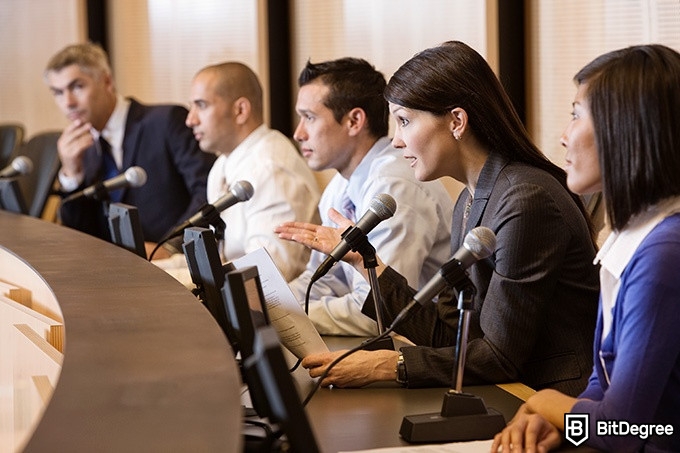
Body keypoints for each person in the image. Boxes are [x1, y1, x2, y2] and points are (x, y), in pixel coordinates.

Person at [299, 41, 600, 396]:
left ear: (456, 121)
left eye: (405, 121)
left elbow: (500, 356)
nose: (395, 141)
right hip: (508, 392)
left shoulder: (525, 200)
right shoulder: (470, 200)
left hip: (550, 403)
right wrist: (368, 263)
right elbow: (450, 333)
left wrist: (388, 365)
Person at [492, 44, 680, 453]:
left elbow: (624, 427)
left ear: (624, 128)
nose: (563, 135)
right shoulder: (631, 235)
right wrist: (570, 422)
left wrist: (543, 402)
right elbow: (603, 384)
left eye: (577, 115)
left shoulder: (665, 253)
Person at [274, 57, 454, 336]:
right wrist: (270, 304)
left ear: (354, 120)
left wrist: (284, 314)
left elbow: (381, 312)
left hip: (428, 346)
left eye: (309, 117)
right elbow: (323, 280)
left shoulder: (393, 186)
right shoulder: (339, 186)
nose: (298, 133)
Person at [44, 42, 215, 255]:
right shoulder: (80, 149)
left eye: (77, 87)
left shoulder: (166, 121)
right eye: (58, 92)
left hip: (175, 266)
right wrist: (72, 175)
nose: (67, 102)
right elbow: (81, 235)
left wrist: (172, 247)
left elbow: (208, 190)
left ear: (107, 81)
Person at [170, 61, 320, 282]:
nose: (190, 119)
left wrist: (171, 278)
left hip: (282, 309)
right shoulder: (223, 163)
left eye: (201, 105)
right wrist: (155, 269)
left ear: (240, 110)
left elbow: (265, 274)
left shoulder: (270, 167)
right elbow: (219, 259)